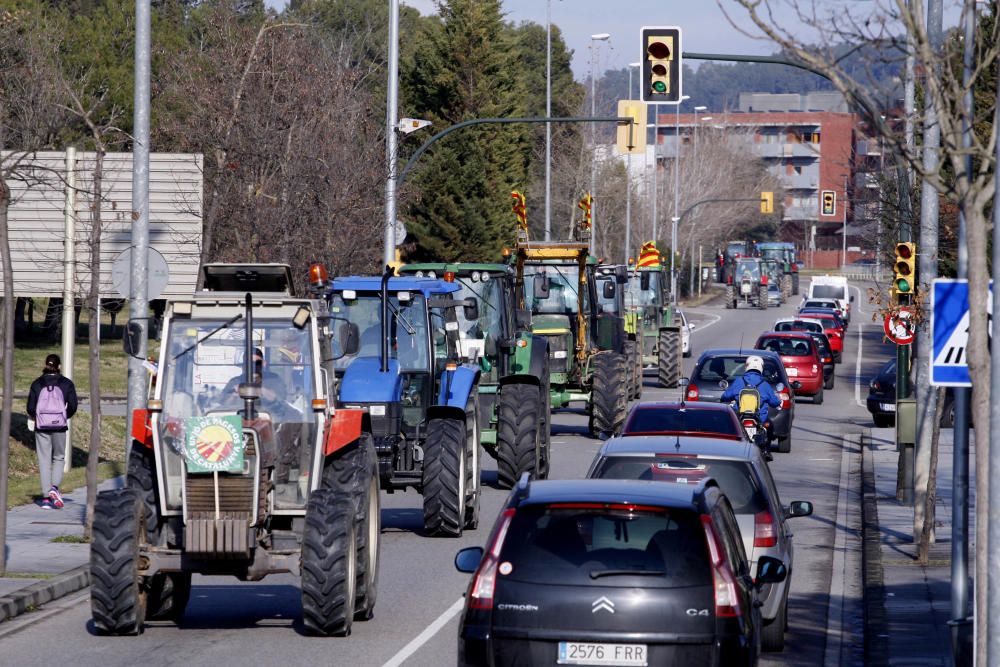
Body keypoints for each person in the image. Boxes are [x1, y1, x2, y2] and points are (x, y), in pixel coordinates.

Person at [26, 354, 78, 509]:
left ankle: (46, 498)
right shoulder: (66, 384)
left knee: (44, 459)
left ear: (45, 364)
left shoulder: (37, 384)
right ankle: (54, 487)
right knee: (59, 457)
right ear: (59, 366)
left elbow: (30, 407)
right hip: (60, 426)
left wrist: (38, 418)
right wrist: (63, 417)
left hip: (41, 426)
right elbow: (73, 405)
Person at [721, 355, 781, 458]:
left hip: (740, 418)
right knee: (769, 426)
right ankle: (766, 450)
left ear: (747, 366)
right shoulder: (764, 384)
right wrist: (778, 401)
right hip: (759, 419)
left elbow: (725, 396)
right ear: (761, 367)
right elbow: (774, 402)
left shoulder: (739, 381)